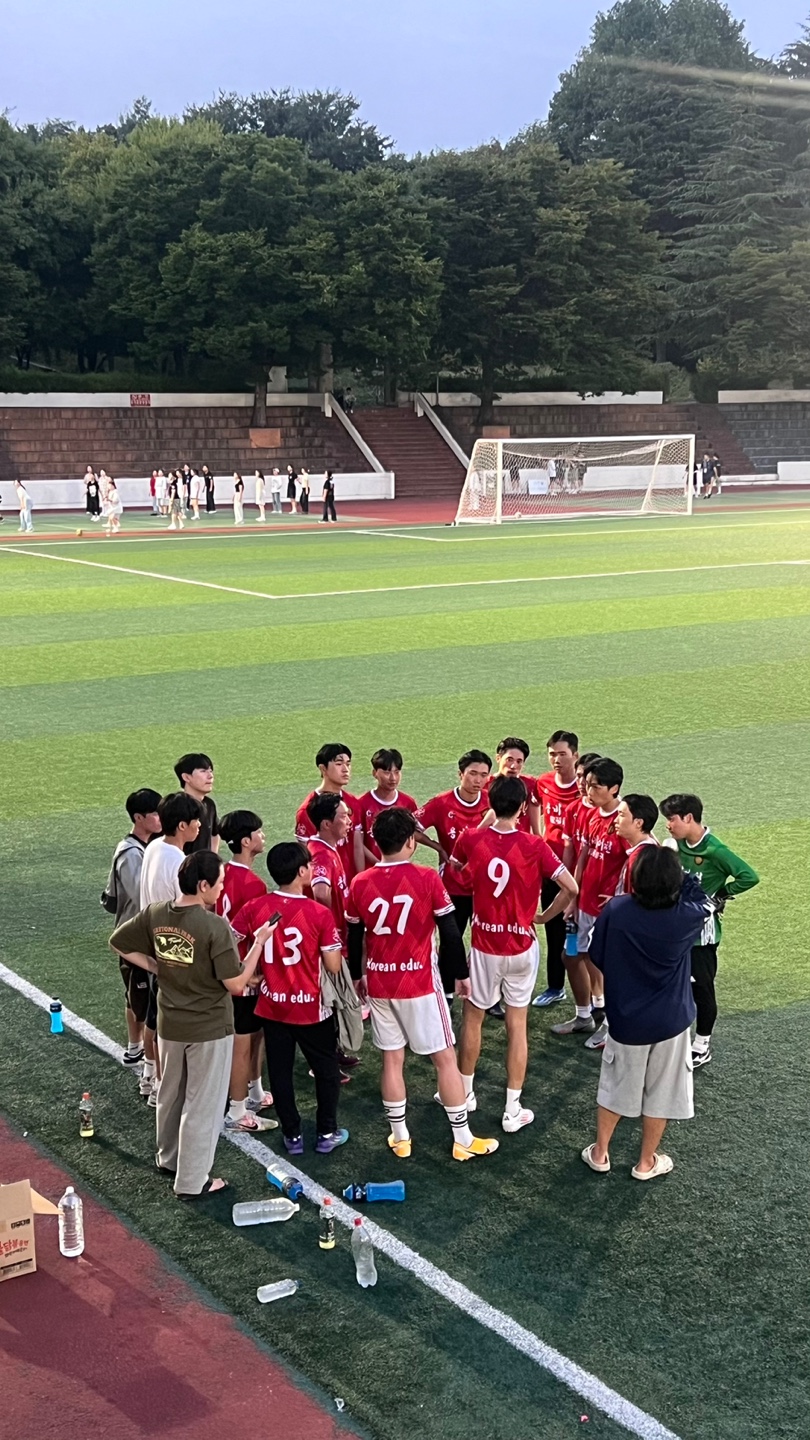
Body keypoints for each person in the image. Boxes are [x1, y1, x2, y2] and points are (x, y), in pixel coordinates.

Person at [111, 850, 277, 1199]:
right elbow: (236, 984)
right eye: (219, 883)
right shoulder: (213, 926)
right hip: (208, 1027)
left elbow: (119, 942)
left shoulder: (157, 913)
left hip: (171, 1023)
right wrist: (259, 944)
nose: (222, 888)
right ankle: (192, 1181)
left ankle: (168, 1158)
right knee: (203, 1104)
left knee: (170, 1094)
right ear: (203, 885)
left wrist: (155, 966)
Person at [346, 808, 499, 1163]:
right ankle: (462, 1138)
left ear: (377, 842)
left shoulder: (360, 882)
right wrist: (461, 974)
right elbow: (450, 932)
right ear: (411, 842)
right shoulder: (427, 877)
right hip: (419, 983)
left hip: (379, 983)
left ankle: (400, 1137)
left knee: (391, 1059)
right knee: (445, 1059)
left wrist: (357, 975)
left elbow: (354, 935)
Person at [453, 776, 578, 1132]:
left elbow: (459, 870)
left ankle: (464, 1095)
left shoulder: (471, 838)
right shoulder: (535, 845)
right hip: (522, 945)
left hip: (485, 947)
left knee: (473, 1020)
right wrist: (544, 917)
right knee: (517, 1025)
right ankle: (512, 1110)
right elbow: (571, 887)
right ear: (524, 807)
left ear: (490, 804)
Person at [580, 847, 710, 1181]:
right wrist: (682, 877)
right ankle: (646, 1162)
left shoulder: (617, 909)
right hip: (671, 1020)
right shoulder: (686, 916)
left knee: (615, 1087)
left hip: (626, 1019)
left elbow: (596, 954)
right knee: (662, 1093)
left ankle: (600, 1153)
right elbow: (702, 897)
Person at [234, 840, 348, 1154]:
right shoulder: (318, 913)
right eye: (309, 865)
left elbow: (229, 939)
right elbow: (333, 965)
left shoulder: (256, 907)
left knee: (280, 1072)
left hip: (273, 1007)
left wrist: (249, 975)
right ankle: (326, 1133)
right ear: (301, 871)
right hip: (311, 1009)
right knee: (326, 1071)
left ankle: (292, 1135)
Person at [659, 793, 759, 1069]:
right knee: (673, 985)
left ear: (689, 818)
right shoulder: (677, 845)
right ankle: (674, 1038)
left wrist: (722, 894)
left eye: (672, 819)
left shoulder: (715, 850)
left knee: (701, 989)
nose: (668, 824)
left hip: (701, 937)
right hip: (675, 931)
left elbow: (749, 876)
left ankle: (702, 1045)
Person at [552, 757, 626, 1044]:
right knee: (570, 956)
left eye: (595, 786)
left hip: (606, 912)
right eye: (587, 783)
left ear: (614, 788)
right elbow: (583, 855)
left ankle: (611, 1025)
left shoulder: (624, 821)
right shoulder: (593, 814)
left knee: (609, 968)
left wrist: (621, 899)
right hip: (584, 905)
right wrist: (573, 896)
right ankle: (584, 1016)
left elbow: (641, 860)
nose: (588, 789)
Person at [139, 791, 203, 1105]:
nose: (199, 827)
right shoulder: (179, 861)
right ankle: (163, 1087)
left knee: (154, 1016)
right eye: (195, 822)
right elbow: (186, 909)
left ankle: (149, 1075)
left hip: (153, 944)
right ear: (182, 825)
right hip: (174, 950)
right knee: (171, 1024)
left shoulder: (153, 847)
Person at [216, 809, 276, 1133]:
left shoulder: (221, 872)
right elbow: (254, 937)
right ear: (245, 841)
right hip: (244, 975)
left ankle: (254, 1092)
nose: (263, 836)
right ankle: (237, 1110)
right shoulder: (254, 885)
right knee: (244, 1043)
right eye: (258, 832)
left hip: (228, 971)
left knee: (253, 1035)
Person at [415, 750, 493, 967]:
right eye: (473, 773)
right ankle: (447, 983)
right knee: (451, 940)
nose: (478, 780)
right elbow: (410, 827)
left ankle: (478, 980)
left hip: (485, 885)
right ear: (460, 774)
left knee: (486, 940)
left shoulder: (492, 801)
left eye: (483, 775)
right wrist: (437, 846)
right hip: (453, 885)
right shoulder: (441, 802)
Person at [102, 788, 162, 1068]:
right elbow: (141, 895)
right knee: (139, 996)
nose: (160, 818)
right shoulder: (131, 853)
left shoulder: (143, 847)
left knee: (139, 994)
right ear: (139, 817)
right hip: (135, 937)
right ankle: (138, 1049)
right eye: (155, 814)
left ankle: (136, 1047)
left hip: (140, 934)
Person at [533, 730, 581, 1007]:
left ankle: (592, 995)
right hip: (550, 869)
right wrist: (538, 836)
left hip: (578, 873)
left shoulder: (584, 787)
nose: (557, 759)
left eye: (562, 754)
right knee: (553, 930)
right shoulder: (544, 782)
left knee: (581, 934)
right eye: (552, 754)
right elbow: (534, 805)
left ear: (575, 755)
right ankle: (555, 987)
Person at [295, 742, 364, 881]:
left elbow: (357, 847)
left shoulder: (353, 802)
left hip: (349, 882)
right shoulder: (306, 811)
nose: (345, 769)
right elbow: (306, 857)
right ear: (323, 768)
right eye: (339, 764)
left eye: (348, 764)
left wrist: (360, 880)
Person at [306, 792, 352, 953]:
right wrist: (329, 925)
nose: (349, 821)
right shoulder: (321, 854)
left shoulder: (325, 848)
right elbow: (320, 892)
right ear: (326, 824)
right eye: (344, 816)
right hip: (333, 944)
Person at [357, 747, 420, 866]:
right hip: (371, 869)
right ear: (374, 773)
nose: (393, 778)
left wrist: (398, 860)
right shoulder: (361, 804)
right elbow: (358, 843)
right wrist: (380, 864)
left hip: (398, 868)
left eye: (397, 772)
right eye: (387, 772)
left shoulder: (408, 803)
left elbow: (414, 836)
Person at [174, 752, 219, 854]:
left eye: (210, 771)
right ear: (186, 777)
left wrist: (213, 857)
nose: (210, 776)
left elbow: (215, 834)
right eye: (203, 771)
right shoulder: (176, 807)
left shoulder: (209, 804)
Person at [614, 795, 660, 897]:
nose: (615, 820)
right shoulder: (649, 851)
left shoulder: (641, 858)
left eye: (621, 815)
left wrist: (619, 902)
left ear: (638, 823)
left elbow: (640, 899)